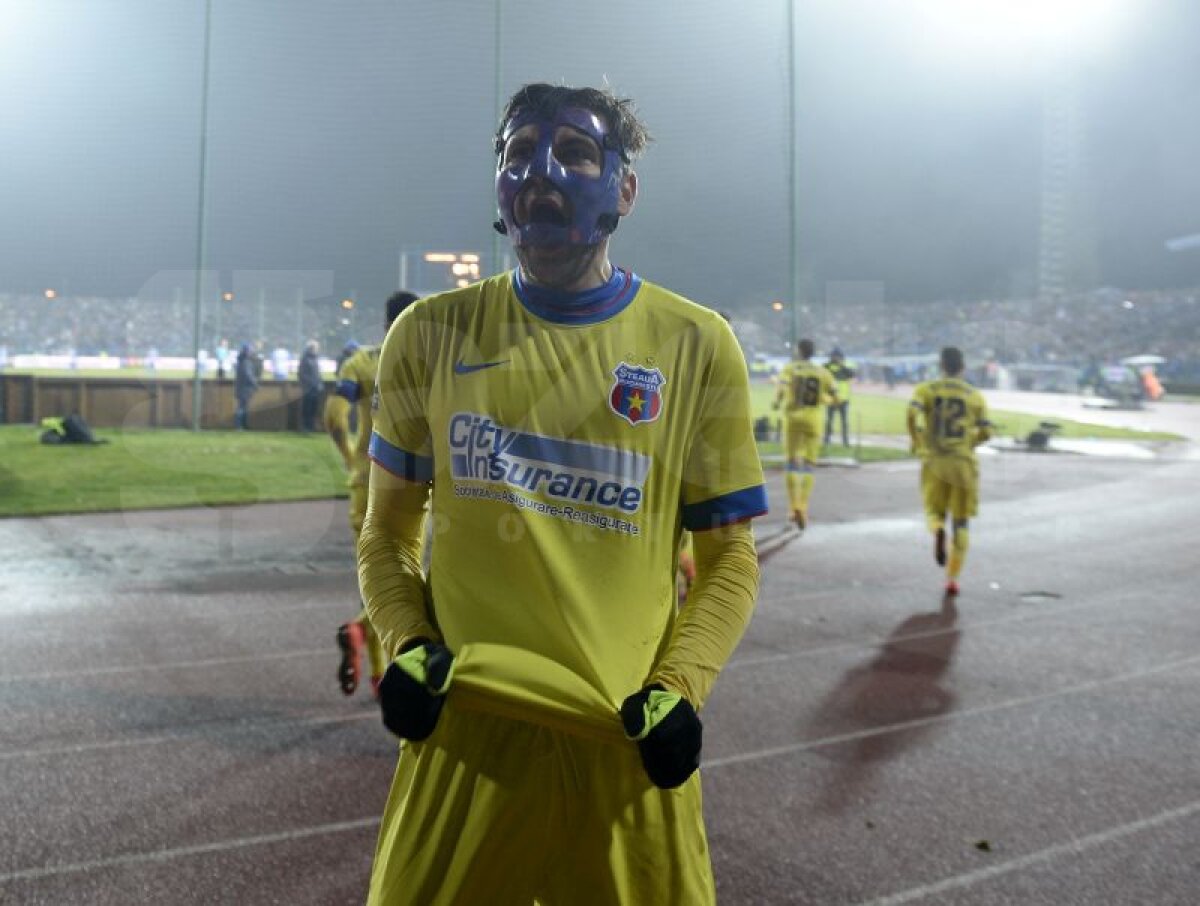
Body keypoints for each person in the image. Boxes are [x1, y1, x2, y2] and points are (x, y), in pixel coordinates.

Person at [359, 83, 766, 905]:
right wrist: (405, 643)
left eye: (576, 153)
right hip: (465, 739)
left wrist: (679, 691)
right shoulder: (428, 336)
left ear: (625, 188)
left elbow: (729, 560)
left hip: (622, 744)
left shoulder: (697, 345)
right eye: (517, 155)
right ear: (499, 189)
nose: (541, 171)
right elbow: (386, 536)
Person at [325, 292, 420, 699]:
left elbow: (332, 417)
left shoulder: (360, 362)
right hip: (412, 488)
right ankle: (366, 639)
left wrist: (350, 458)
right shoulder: (426, 366)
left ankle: (378, 671)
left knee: (375, 578)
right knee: (403, 581)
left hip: (366, 482)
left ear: (385, 323)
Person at [906, 346, 992, 596]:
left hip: (935, 461)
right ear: (963, 367)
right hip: (963, 464)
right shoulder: (974, 395)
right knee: (962, 523)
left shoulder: (926, 390)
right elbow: (986, 432)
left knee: (933, 511)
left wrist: (917, 441)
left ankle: (937, 529)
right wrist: (969, 443)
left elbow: (912, 413)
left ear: (941, 365)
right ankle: (952, 579)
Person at [773, 338, 837, 530]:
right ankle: (803, 506)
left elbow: (782, 387)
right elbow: (835, 397)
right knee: (808, 466)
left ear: (799, 350)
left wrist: (777, 401)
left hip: (793, 418)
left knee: (792, 463)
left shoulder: (790, 369)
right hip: (813, 420)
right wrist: (822, 399)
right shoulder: (823, 372)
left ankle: (793, 508)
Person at [823, 347, 855, 448]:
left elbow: (852, 374)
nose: (835, 358)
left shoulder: (846, 367)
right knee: (829, 421)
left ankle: (845, 441)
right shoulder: (827, 367)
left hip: (844, 399)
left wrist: (842, 365)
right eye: (834, 356)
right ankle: (827, 440)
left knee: (844, 422)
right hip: (831, 399)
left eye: (837, 357)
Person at [297, 340, 323, 432]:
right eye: (315, 348)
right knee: (307, 407)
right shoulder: (305, 358)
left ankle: (311, 426)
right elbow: (301, 374)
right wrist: (311, 383)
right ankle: (305, 427)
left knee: (313, 407)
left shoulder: (315, 358)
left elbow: (318, 373)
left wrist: (319, 383)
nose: (316, 349)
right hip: (308, 388)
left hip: (315, 388)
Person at [233, 342, 260, 430]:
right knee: (242, 407)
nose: (251, 352)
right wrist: (255, 384)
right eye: (250, 350)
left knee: (243, 407)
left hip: (242, 387)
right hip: (244, 388)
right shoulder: (246, 362)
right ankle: (239, 425)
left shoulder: (242, 361)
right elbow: (248, 375)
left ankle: (242, 425)